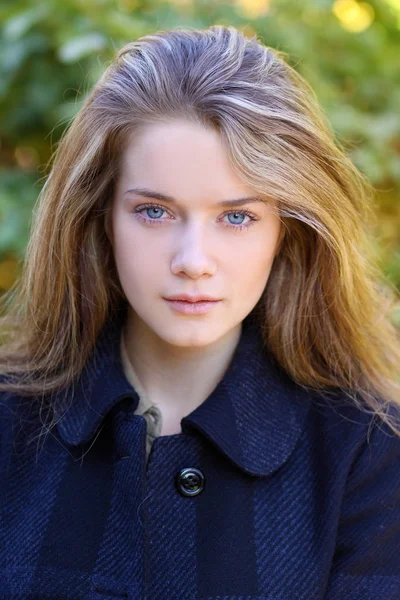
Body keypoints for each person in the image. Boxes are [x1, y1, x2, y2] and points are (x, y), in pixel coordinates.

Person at [0, 24, 399, 599]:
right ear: (99, 217)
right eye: (155, 212)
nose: (193, 261)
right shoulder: (12, 427)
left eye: (236, 217)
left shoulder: (370, 456)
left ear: (286, 233)